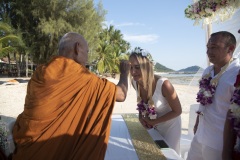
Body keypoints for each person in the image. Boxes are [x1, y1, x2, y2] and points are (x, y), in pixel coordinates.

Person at [12, 32, 130, 160]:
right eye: (87, 52)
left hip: (27, 151)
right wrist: (124, 73)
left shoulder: (40, 72)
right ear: (77, 48)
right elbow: (121, 94)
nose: (87, 58)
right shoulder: (80, 76)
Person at [187, 31, 240, 160]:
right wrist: (197, 123)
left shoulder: (236, 73)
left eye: (214, 47)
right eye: (208, 47)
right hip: (200, 135)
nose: (209, 51)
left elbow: (235, 114)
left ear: (231, 48)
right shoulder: (207, 71)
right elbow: (204, 102)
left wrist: (227, 150)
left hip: (218, 142)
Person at [128, 48, 182, 154]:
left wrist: (154, 122)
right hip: (153, 123)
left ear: (147, 67)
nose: (133, 72)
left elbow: (178, 111)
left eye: (137, 67)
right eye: (131, 67)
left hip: (170, 126)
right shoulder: (135, 83)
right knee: (153, 152)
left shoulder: (164, 84)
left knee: (169, 154)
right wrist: (141, 117)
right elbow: (141, 103)